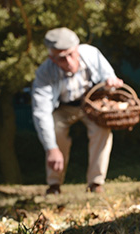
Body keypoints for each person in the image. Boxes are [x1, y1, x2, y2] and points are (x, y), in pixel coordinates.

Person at [31, 27, 123, 195]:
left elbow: (108, 76)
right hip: (62, 108)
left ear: (77, 48)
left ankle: (95, 183)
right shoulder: (44, 73)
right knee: (54, 132)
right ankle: (54, 184)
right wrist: (51, 148)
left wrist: (111, 83)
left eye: (71, 54)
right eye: (62, 58)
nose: (69, 62)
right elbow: (41, 112)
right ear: (52, 58)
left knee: (102, 130)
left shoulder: (91, 54)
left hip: (90, 104)